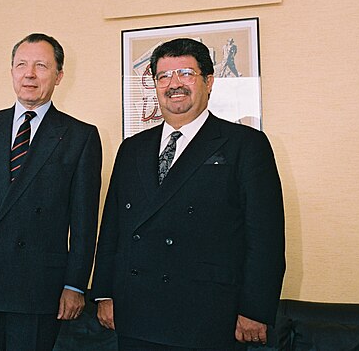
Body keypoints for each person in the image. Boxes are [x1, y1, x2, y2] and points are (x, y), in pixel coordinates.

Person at [91, 38, 285, 350]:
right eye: (164, 76)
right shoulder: (133, 149)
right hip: (136, 311)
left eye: (185, 73)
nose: (174, 84)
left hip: (208, 314)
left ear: (209, 82)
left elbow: (265, 237)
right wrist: (104, 293)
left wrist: (254, 309)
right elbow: (112, 227)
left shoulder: (245, 145)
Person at [0, 33, 102, 351]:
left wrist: (74, 284)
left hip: (37, 287)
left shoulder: (80, 136)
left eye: (41, 65)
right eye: (21, 64)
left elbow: (84, 222)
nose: (30, 74)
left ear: (59, 75)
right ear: (11, 71)